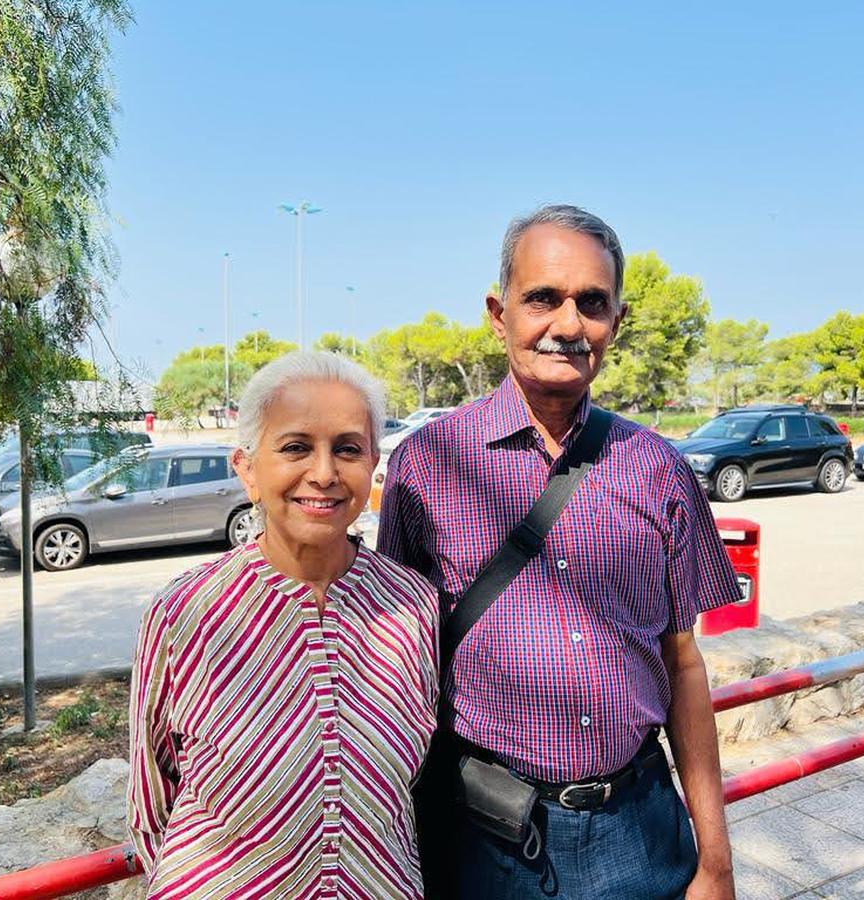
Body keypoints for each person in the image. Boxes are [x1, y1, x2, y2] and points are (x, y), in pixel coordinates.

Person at [379, 205, 741, 899]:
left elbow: (683, 663)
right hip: (489, 841)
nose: (568, 325)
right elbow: (399, 662)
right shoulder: (427, 465)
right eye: (543, 297)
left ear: (617, 321)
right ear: (499, 312)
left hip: (642, 831)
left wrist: (716, 859)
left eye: (592, 303)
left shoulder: (658, 467)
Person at [127, 351, 439, 899]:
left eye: (348, 449)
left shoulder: (414, 606)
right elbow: (151, 799)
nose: (323, 473)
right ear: (246, 467)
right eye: (296, 447)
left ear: (372, 467)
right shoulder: (185, 612)